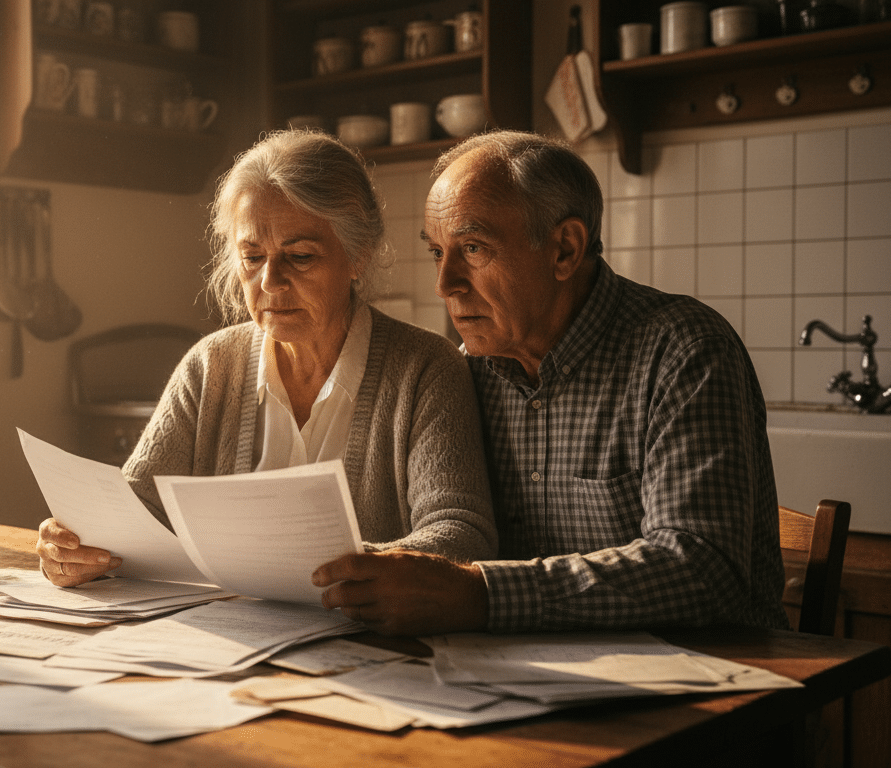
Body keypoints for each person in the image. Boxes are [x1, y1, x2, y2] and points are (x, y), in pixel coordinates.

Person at [315, 130, 788, 636]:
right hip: (532, 680)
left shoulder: (681, 351)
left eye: (473, 248)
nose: (445, 283)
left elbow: (703, 569)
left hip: (714, 680)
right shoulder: (465, 371)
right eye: (437, 252)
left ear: (565, 249)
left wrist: (482, 594)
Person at [36, 130, 498, 587]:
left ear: (358, 255)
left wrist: (325, 568)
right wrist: (75, 547)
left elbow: (462, 535)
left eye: (299, 256)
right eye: (252, 257)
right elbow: (133, 516)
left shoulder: (426, 368)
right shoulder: (209, 367)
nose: (270, 282)